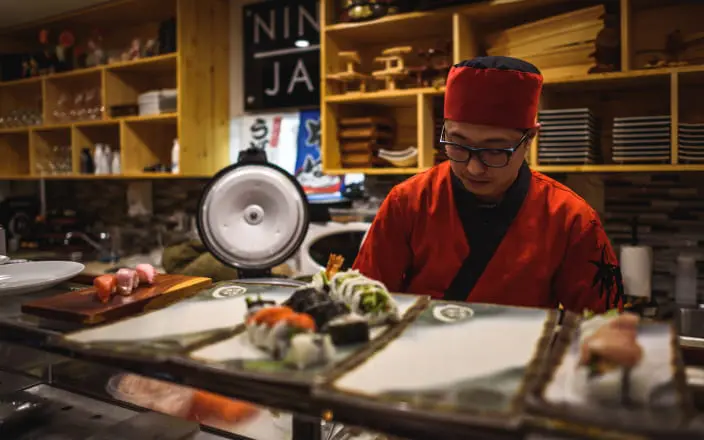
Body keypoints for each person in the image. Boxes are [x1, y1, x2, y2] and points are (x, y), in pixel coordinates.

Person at [352, 56, 622, 313]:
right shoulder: (407, 201)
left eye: (495, 150)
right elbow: (362, 298)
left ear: (529, 139)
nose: (473, 168)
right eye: (458, 145)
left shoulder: (572, 218)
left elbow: (605, 320)